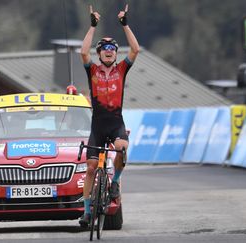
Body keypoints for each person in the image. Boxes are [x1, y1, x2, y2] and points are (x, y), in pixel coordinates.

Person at [78, 4, 139, 227]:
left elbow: (135, 49)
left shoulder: (121, 69)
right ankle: (86, 213)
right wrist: (92, 26)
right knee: (91, 168)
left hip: (115, 122)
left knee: (122, 149)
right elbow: (83, 52)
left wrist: (125, 25)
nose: (109, 50)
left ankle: (115, 181)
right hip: (97, 124)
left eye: (112, 48)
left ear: (115, 53)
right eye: (104, 47)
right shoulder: (92, 70)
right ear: (99, 53)